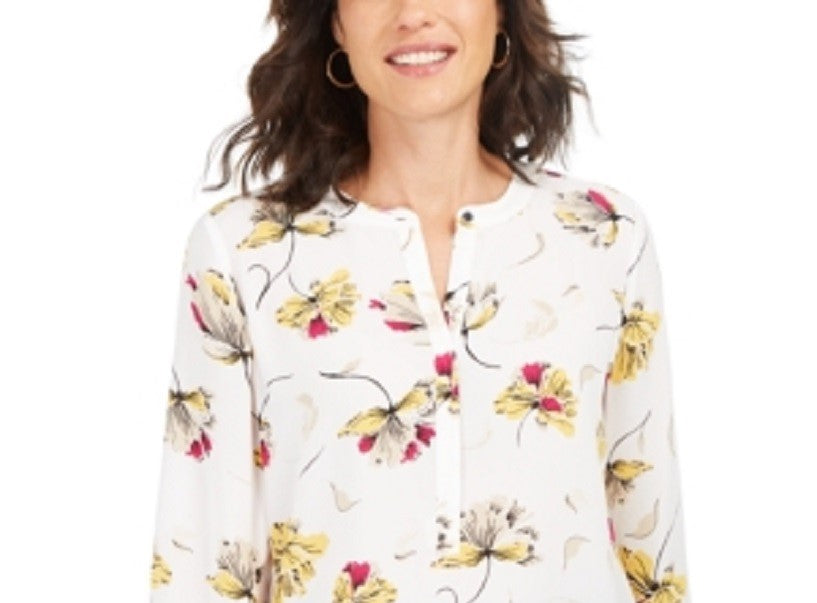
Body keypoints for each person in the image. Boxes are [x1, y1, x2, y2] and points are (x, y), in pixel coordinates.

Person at [149, 1, 691, 601]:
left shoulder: (604, 236)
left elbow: (651, 546)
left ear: (502, 12)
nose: (413, 13)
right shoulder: (242, 252)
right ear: (335, 22)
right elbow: (202, 563)